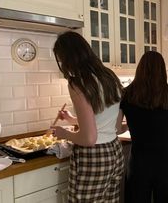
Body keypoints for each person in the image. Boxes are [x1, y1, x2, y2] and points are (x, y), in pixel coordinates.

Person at [52, 31, 125, 202]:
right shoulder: (108, 76)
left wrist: (64, 133)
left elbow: (89, 138)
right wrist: (72, 120)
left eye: (61, 60)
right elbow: (103, 120)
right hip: (114, 151)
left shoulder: (77, 82)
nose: (62, 64)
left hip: (94, 156)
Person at [116, 51, 168, 203]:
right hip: (165, 162)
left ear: (140, 69)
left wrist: (132, 125)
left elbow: (116, 129)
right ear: (162, 70)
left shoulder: (126, 94)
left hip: (138, 163)